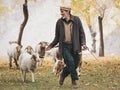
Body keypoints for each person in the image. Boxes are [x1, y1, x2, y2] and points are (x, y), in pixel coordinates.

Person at [46, 5, 88, 89]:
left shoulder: (76, 20)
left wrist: (83, 43)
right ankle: (74, 81)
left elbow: (81, 33)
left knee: (75, 64)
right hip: (64, 46)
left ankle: (63, 74)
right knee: (70, 61)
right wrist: (51, 45)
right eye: (60, 11)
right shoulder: (59, 22)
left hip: (76, 46)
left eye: (62, 11)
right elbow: (57, 37)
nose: (61, 13)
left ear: (68, 11)